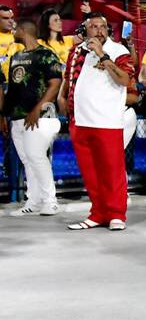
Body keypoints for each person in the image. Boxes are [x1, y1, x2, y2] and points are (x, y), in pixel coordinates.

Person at [59, 13, 133, 230]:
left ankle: (117, 214)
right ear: (85, 30)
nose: (100, 30)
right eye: (94, 26)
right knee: (90, 172)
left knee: (112, 170)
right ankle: (98, 213)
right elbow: (70, 80)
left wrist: (103, 55)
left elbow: (124, 80)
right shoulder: (77, 52)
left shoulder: (119, 50)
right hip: (80, 120)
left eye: (103, 27)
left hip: (107, 120)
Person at [1, 17, 63, 215]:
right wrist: (4, 116)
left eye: (15, 29)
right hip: (18, 117)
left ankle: (50, 201)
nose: (13, 31)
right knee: (28, 160)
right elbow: (13, 90)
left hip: (41, 116)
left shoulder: (45, 54)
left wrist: (37, 109)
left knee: (37, 157)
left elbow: (55, 83)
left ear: (24, 31)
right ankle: (33, 201)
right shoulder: (16, 56)